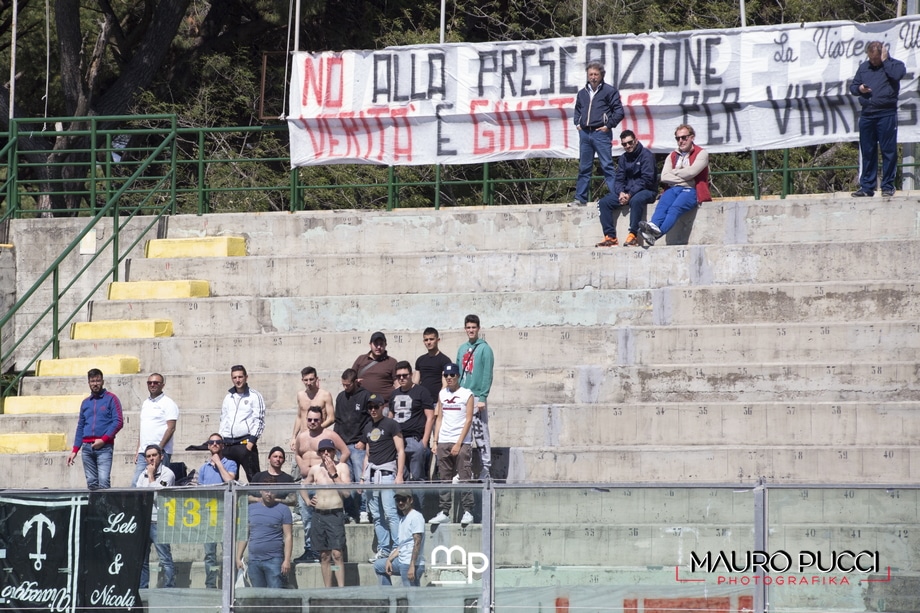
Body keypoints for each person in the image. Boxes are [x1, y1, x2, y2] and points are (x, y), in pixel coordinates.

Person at [293, 406, 350, 563]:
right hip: (308, 481)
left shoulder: (329, 435)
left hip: (325, 483)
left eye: (316, 420)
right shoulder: (302, 436)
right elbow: (297, 453)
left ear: (322, 419)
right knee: (306, 520)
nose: (312, 422)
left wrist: (336, 467)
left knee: (323, 521)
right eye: (309, 419)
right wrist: (302, 465)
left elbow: (345, 451)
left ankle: (330, 554)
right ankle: (310, 550)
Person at [850, 41, 906, 198]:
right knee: (867, 150)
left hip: (886, 114)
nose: (873, 62)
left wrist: (886, 61)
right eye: (871, 58)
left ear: (883, 53)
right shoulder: (864, 67)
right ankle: (867, 186)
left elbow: (897, 75)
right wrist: (860, 89)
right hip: (867, 114)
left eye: (876, 59)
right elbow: (853, 87)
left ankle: (888, 186)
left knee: (888, 151)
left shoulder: (895, 65)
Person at [639, 124, 711, 246]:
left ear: (692, 137)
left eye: (684, 137)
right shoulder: (672, 155)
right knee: (662, 205)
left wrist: (675, 173)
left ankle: (656, 235)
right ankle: (653, 226)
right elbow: (664, 177)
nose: (681, 141)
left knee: (674, 209)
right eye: (678, 138)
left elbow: (692, 172)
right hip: (673, 188)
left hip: (692, 190)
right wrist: (685, 177)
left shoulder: (702, 153)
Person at [570, 61, 624, 207]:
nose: (593, 77)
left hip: (601, 134)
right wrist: (578, 123)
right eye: (591, 74)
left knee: (607, 166)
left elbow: (619, 111)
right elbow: (577, 109)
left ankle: (615, 197)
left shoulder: (609, 91)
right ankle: (580, 198)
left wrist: (608, 126)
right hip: (585, 134)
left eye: (596, 74)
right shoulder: (582, 93)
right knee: (584, 167)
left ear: (601, 75)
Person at [429, 363, 475, 527]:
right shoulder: (442, 394)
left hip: (461, 441)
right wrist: (436, 441)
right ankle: (444, 511)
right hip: (444, 440)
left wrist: (459, 443)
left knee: (464, 476)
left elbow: (469, 419)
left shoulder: (467, 394)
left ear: (458, 376)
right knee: (444, 478)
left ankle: (468, 510)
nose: (449, 378)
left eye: (452, 375)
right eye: (446, 376)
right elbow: (439, 418)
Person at [302, 438, 352, 588]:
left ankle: (341, 588)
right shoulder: (315, 469)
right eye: (323, 451)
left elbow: (347, 493)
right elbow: (303, 486)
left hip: (335, 514)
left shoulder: (342, 467)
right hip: (319, 515)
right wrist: (307, 500)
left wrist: (334, 474)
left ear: (334, 452)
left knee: (337, 554)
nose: (326, 453)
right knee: (324, 555)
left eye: (329, 450)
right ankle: (327, 589)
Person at [595, 130, 658, 247]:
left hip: (647, 190)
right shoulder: (623, 158)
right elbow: (619, 179)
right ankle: (610, 237)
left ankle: (633, 236)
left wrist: (630, 194)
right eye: (624, 144)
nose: (628, 146)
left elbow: (647, 180)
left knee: (636, 200)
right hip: (627, 193)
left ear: (636, 141)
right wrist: (621, 193)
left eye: (630, 142)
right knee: (603, 203)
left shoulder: (646, 155)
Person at [363, 393, 405, 562]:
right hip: (372, 475)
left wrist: (400, 474)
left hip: (387, 473)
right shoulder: (367, 427)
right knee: (376, 515)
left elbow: (400, 450)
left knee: (390, 513)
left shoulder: (392, 424)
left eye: (376, 406)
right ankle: (384, 548)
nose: (373, 410)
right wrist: (362, 477)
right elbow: (367, 454)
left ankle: (398, 547)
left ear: (382, 406)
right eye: (370, 407)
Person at [66, 368, 124, 490]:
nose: (95, 384)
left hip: (104, 447)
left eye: (98, 380)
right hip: (87, 448)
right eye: (92, 381)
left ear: (102, 381)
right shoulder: (85, 403)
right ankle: (94, 509)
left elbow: (118, 422)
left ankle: (104, 509)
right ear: (89, 383)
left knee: (103, 482)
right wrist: (75, 450)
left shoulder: (111, 399)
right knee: (91, 483)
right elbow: (81, 426)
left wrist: (103, 439)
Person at [456, 314, 494, 481]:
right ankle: (465, 468)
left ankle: (486, 467)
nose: (471, 330)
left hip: (477, 395)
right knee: (464, 434)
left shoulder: (485, 349)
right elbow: (457, 372)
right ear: (465, 329)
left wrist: (483, 397)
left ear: (478, 328)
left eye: (473, 327)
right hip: (463, 396)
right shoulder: (462, 349)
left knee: (480, 433)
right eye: (468, 327)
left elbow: (487, 374)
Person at [236, 479, 293, 589]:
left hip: (274, 560)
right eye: (266, 491)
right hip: (254, 560)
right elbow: (244, 534)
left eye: (272, 491)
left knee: (276, 595)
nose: (269, 494)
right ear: (261, 491)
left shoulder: (283, 510)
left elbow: (288, 536)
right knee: (258, 596)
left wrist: (286, 560)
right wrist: (238, 557)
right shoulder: (250, 509)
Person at [199, 433, 238, 589]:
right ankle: (210, 585)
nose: (214, 444)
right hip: (208, 517)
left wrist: (218, 463)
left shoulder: (231, 464)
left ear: (223, 445)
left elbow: (230, 481)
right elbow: (200, 493)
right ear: (208, 446)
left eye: (218, 442)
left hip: (225, 515)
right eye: (211, 442)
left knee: (227, 553)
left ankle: (229, 586)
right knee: (209, 555)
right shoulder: (203, 468)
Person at [334, 368, 372, 524]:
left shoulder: (365, 396)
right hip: (343, 445)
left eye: (348, 385)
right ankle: (349, 512)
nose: (345, 388)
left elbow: (371, 420)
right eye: (343, 385)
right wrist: (337, 443)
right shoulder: (341, 397)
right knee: (345, 481)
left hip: (358, 445)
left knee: (360, 480)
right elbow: (338, 421)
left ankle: (363, 511)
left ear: (355, 382)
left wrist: (364, 440)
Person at [135, 444, 176, 589]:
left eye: (154, 455)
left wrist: (151, 476)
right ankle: (142, 588)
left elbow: (158, 495)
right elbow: (138, 495)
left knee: (165, 558)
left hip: (159, 521)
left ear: (161, 456)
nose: (151, 458)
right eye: (148, 456)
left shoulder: (168, 474)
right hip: (144, 521)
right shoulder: (142, 474)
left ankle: (169, 588)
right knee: (142, 560)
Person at [218, 364, 265, 483]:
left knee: (254, 479)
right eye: (234, 377)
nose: (237, 380)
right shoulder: (228, 397)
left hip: (245, 443)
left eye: (240, 377)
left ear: (246, 377)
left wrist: (251, 443)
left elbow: (259, 420)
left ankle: (256, 501)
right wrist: (220, 440)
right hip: (228, 444)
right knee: (228, 481)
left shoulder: (254, 396)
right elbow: (223, 419)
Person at [389, 361, 435, 481]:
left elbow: (430, 417)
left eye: (405, 375)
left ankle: (419, 501)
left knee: (417, 478)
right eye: (399, 376)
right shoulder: (394, 394)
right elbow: (390, 416)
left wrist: (424, 442)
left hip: (415, 439)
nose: (402, 378)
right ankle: (404, 500)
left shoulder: (422, 391)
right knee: (401, 478)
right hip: (398, 440)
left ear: (411, 374)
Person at [132, 373, 179, 487]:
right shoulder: (145, 403)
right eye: (150, 382)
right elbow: (144, 428)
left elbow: (171, 428)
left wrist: (159, 449)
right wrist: (138, 449)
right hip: (144, 452)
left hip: (160, 452)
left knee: (158, 485)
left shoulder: (168, 403)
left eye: (156, 383)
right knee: (137, 484)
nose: (152, 385)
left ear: (162, 385)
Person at [374, 489, 425, 586]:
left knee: (411, 597)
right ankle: (388, 597)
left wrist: (412, 566)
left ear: (410, 500)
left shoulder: (416, 517)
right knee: (378, 565)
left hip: (410, 563)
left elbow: (417, 542)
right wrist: (389, 559)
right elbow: (402, 545)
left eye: (403, 499)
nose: (400, 502)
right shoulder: (403, 519)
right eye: (398, 500)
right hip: (402, 560)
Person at [291, 367, 336, 449]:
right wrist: (294, 437)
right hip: (303, 436)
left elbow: (331, 418)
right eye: (306, 380)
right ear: (302, 380)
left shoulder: (325, 395)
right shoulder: (300, 395)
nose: (308, 383)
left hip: (319, 436)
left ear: (316, 379)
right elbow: (299, 417)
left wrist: (317, 429)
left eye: (311, 379)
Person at [352, 331, 399, 403]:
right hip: (363, 403)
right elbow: (350, 377)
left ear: (385, 345)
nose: (379, 347)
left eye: (381, 344)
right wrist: (355, 382)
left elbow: (397, 384)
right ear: (370, 344)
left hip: (384, 404)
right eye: (376, 344)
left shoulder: (392, 362)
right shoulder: (361, 359)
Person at [413, 327, 451, 402]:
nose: (429, 342)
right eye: (426, 340)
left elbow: (445, 384)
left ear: (438, 340)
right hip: (422, 400)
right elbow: (416, 382)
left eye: (431, 339)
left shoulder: (445, 360)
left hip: (437, 401)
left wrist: (439, 402)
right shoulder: (420, 360)